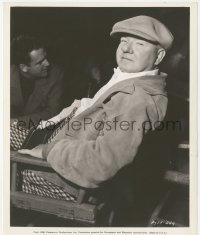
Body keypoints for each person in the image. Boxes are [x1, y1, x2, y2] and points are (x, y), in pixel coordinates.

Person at [19, 15, 174, 190]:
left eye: (140, 44)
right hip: (62, 143)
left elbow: (103, 163)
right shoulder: (128, 81)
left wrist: (48, 151)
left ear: (159, 56)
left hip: (62, 179)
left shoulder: (136, 97)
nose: (127, 49)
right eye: (124, 41)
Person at [10, 35, 64, 128]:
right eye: (40, 62)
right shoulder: (6, 75)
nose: (47, 63)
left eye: (46, 58)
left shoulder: (56, 74)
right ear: (24, 67)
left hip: (37, 130)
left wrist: (17, 122)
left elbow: (53, 112)